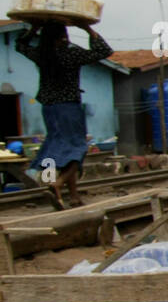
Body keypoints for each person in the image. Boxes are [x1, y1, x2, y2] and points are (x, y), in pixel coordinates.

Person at [15, 20, 112, 209]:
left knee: (59, 147)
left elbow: (20, 45)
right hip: (68, 108)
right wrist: (87, 29)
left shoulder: (42, 56)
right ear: (61, 38)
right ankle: (57, 183)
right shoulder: (71, 54)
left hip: (49, 109)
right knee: (78, 149)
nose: (67, 39)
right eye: (65, 36)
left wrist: (33, 28)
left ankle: (73, 196)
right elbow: (104, 52)